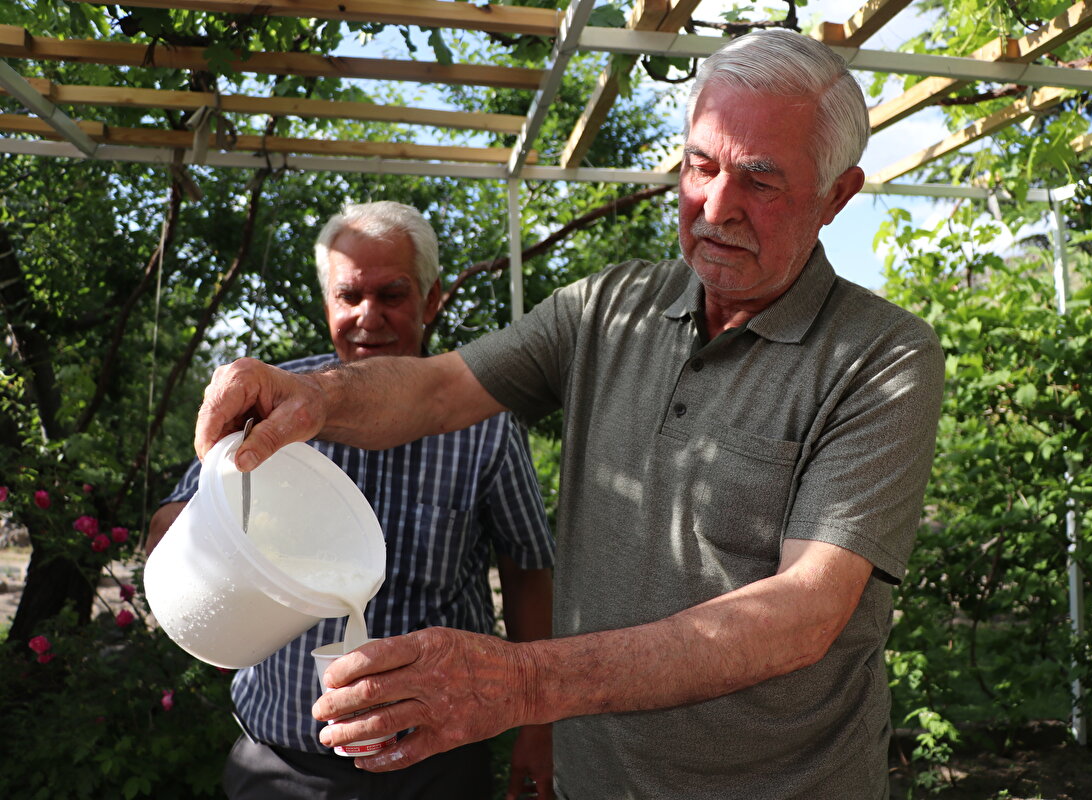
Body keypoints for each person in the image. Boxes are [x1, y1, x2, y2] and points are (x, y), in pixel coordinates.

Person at [191, 30, 945, 800]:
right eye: (700, 166)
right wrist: (316, 396)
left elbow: (802, 612)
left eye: (760, 180)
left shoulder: (881, 357)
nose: (717, 207)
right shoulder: (610, 308)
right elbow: (438, 389)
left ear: (837, 196)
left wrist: (520, 686)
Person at [147, 201, 556, 800]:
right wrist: (197, 553)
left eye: (392, 294)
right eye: (350, 297)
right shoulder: (270, 404)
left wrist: (537, 722)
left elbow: (527, 572)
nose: (370, 317)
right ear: (327, 303)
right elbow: (171, 521)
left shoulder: (485, 427)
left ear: (432, 298)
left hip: (435, 765)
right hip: (281, 763)